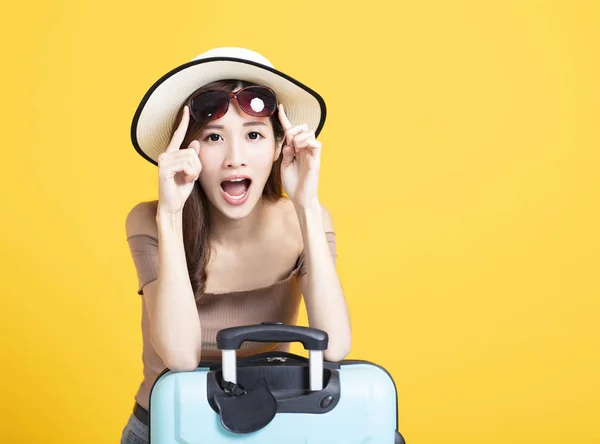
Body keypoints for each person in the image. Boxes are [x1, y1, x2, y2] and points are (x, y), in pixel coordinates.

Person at [120, 47, 352, 444]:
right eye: (213, 137)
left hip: (270, 426)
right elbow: (180, 357)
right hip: (168, 428)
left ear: (280, 147)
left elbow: (335, 345)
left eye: (254, 135)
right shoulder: (150, 221)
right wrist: (171, 216)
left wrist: (306, 205)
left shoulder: (304, 220)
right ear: (186, 150)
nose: (235, 158)